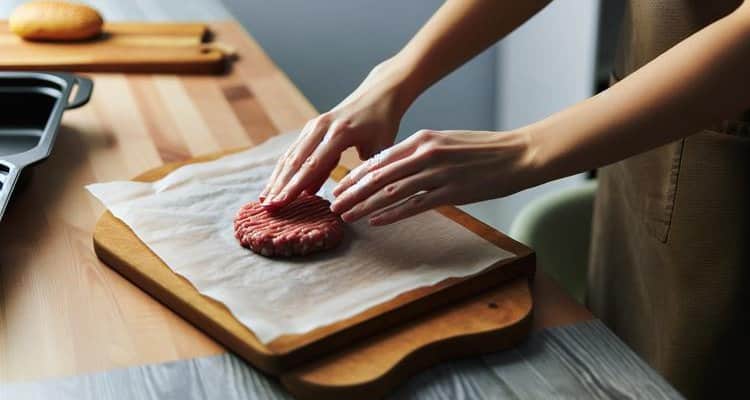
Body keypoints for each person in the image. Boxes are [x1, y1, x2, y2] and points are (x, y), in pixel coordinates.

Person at [262, 1, 750, 397]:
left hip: (728, 179)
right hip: (654, 131)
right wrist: (396, 75)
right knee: (629, 364)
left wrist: (526, 149)